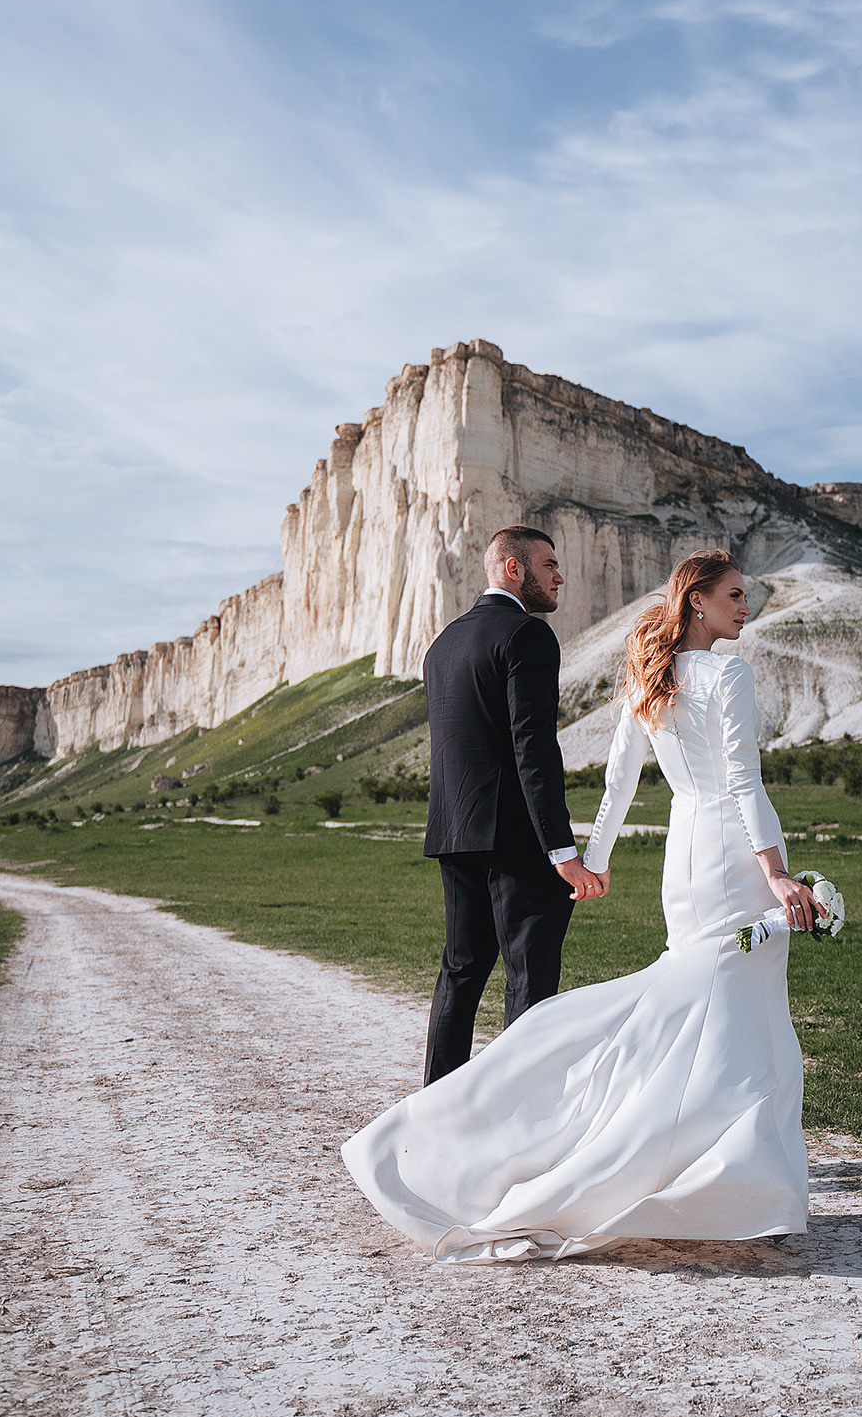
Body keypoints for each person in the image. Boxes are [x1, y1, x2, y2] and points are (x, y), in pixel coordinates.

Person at [342, 548, 814, 1262]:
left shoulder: (648, 675)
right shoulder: (729, 674)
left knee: (702, 1000)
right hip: (727, 849)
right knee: (737, 1010)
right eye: (735, 596)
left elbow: (619, 780)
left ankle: (730, 1174)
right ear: (697, 603)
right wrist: (777, 873)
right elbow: (744, 784)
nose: (747, 606)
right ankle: (734, 1179)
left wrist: (594, 859)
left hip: (682, 859)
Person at [418, 525, 605, 1085]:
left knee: (460, 970)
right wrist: (562, 850)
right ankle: (516, 1113)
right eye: (549, 565)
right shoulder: (526, 635)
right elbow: (534, 750)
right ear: (513, 569)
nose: (559, 576)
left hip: (455, 834)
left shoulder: (443, 643)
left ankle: (437, 1104)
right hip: (517, 841)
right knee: (530, 978)